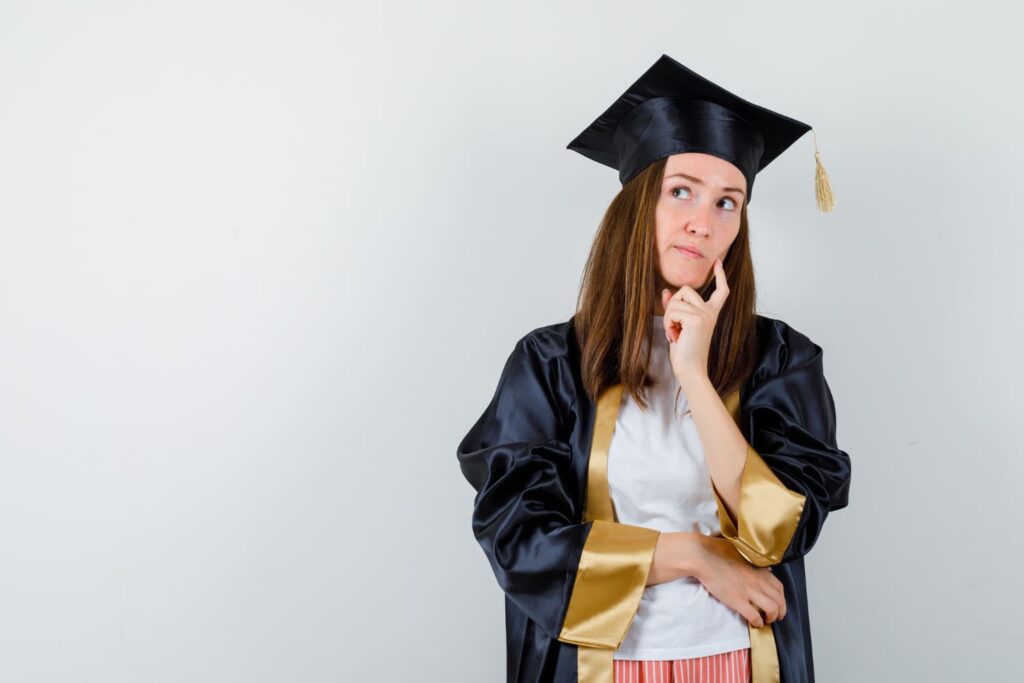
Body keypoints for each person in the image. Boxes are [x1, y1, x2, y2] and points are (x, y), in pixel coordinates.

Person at [456, 54, 852, 683]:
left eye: (729, 202)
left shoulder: (780, 358)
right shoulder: (552, 363)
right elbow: (521, 541)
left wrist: (694, 375)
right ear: (637, 204)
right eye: (682, 191)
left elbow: (777, 531)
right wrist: (694, 555)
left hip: (740, 660)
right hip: (601, 664)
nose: (705, 220)